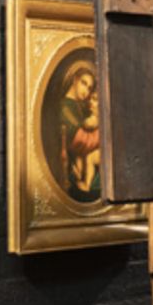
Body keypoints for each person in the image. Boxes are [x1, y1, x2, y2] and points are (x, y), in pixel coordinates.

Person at [57, 62, 102, 203]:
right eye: (84, 83)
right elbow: (82, 141)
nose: (86, 92)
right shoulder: (65, 107)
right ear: (75, 79)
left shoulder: (79, 107)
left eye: (89, 88)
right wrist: (102, 135)